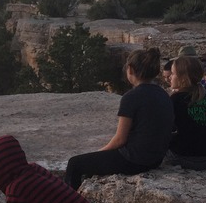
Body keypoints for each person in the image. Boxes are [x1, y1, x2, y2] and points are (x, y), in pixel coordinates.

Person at [64, 47, 174, 190]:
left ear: (130, 69)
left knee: (75, 164)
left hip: (134, 160)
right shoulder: (163, 94)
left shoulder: (131, 97)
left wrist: (99, 153)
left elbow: (120, 139)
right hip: (155, 160)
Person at [165, 55, 206, 169]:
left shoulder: (176, 100)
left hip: (184, 157)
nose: (170, 77)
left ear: (183, 78)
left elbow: (163, 131)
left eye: (173, 74)